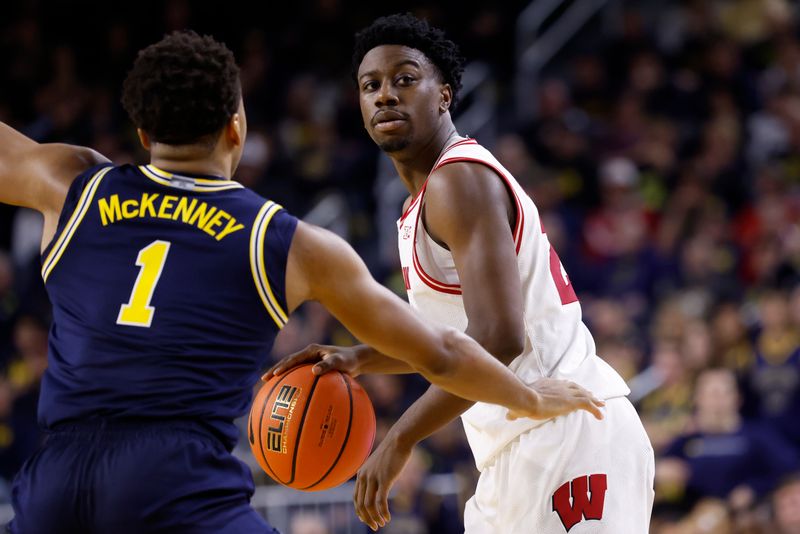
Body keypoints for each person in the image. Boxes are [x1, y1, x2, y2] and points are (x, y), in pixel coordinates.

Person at [0, 31, 604, 534]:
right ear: (237, 127)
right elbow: (445, 351)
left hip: (54, 477)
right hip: (173, 479)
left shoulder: (70, 183)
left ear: (140, 134)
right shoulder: (287, 242)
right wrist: (529, 396)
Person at [271, 13, 654, 532]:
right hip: (516, 449)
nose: (385, 95)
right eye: (371, 85)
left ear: (445, 95)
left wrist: (401, 437)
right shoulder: (422, 202)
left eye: (405, 79)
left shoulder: (459, 180)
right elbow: (454, 341)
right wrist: (360, 357)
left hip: (566, 429)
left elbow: (497, 339)